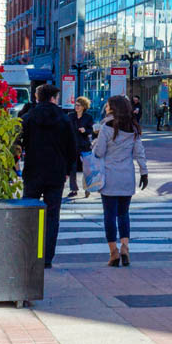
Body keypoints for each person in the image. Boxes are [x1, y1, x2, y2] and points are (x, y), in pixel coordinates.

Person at [20, 83, 77, 268]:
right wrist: (67, 170)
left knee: (29, 212)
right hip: (56, 172)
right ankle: (47, 257)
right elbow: (72, 148)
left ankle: (27, 252)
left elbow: (20, 142)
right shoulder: (64, 119)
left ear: (38, 97)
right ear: (53, 98)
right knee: (52, 216)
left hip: (33, 170)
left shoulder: (28, 117)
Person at [93, 94, 148, 267]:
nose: (106, 108)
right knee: (123, 213)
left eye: (108, 105)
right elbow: (139, 152)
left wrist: (94, 142)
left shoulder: (107, 127)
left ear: (114, 108)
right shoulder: (133, 127)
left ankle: (113, 252)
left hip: (109, 176)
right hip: (127, 176)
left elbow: (99, 152)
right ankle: (125, 247)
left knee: (109, 214)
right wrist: (144, 172)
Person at [67, 96, 94, 198]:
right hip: (73, 145)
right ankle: (73, 189)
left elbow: (91, 130)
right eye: (76, 105)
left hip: (84, 145)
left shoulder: (88, 117)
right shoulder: (70, 116)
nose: (76, 107)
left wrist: (85, 131)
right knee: (72, 168)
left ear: (84, 107)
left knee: (87, 169)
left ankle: (87, 188)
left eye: (79, 105)